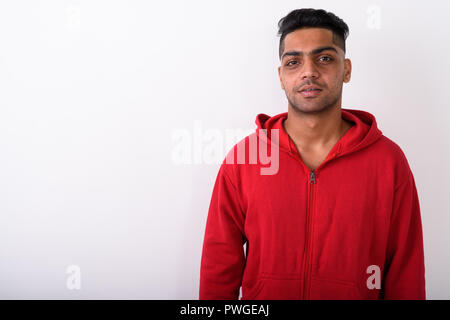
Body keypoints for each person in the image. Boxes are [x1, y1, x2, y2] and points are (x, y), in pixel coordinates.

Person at [199, 8, 425, 300]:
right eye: (293, 62)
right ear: (281, 76)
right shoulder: (246, 158)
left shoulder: (388, 160)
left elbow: (406, 270)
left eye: (325, 58)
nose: (309, 71)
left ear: (346, 69)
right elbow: (219, 268)